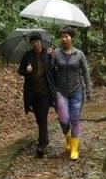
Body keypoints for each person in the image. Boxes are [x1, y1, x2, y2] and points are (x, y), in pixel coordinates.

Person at [51, 26, 92, 160]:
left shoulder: (79, 54)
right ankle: (68, 137)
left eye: (66, 36)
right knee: (64, 120)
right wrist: (48, 56)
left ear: (71, 38)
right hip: (61, 91)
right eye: (62, 36)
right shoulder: (56, 53)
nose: (63, 39)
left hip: (76, 91)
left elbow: (85, 72)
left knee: (75, 119)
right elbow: (51, 71)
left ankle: (74, 148)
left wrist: (88, 90)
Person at [17, 32, 56, 157]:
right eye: (33, 42)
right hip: (32, 92)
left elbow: (53, 69)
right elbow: (20, 71)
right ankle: (45, 139)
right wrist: (27, 71)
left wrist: (51, 57)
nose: (35, 44)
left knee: (42, 116)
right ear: (30, 43)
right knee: (39, 118)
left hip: (45, 92)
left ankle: (41, 145)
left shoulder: (48, 53)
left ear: (41, 42)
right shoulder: (27, 56)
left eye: (37, 42)